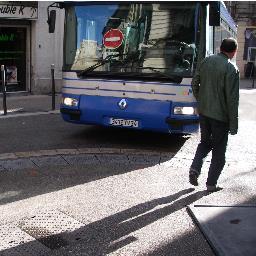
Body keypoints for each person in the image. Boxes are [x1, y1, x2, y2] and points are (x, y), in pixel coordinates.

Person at [189, 38, 240, 192]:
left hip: (204, 113)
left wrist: (201, 100)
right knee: (219, 152)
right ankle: (211, 184)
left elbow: (194, 83)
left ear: (220, 48)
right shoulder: (231, 69)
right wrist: (233, 125)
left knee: (205, 143)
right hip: (220, 117)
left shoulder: (206, 61)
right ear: (234, 52)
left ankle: (194, 168)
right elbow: (232, 100)